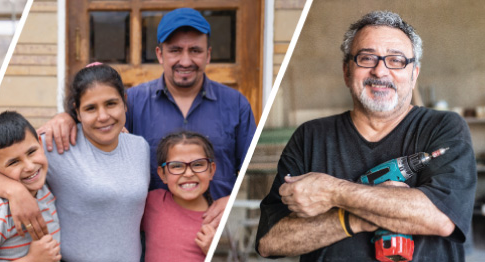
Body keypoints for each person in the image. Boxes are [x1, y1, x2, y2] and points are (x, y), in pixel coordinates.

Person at [255, 11, 475, 261]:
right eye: (367, 58)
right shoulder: (310, 136)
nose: (380, 72)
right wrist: (352, 218)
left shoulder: (444, 127)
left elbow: (442, 218)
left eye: (396, 60)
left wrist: (334, 192)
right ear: (347, 71)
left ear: (414, 74)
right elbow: (270, 241)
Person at [37, 7, 254, 228]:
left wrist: (232, 201)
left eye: (195, 51)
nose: (186, 61)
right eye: (176, 50)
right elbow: (97, 134)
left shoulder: (236, 105)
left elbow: (252, 170)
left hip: (217, 236)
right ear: (159, 54)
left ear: (208, 54)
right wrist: (67, 117)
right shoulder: (132, 103)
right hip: (150, 238)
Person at [0, 64, 149, 261]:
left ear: (124, 102)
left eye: (111, 104)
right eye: (90, 108)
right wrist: (15, 191)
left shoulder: (140, 147)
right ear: (77, 112)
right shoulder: (59, 143)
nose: (103, 116)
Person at [0, 111, 62, 262]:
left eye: (32, 152)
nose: (29, 166)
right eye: (14, 162)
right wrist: (32, 260)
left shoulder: (45, 188)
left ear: (40, 143)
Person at [141, 131, 219, 262]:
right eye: (176, 166)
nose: (188, 173)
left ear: (211, 170)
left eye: (198, 164)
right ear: (162, 174)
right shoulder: (151, 202)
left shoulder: (218, 218)